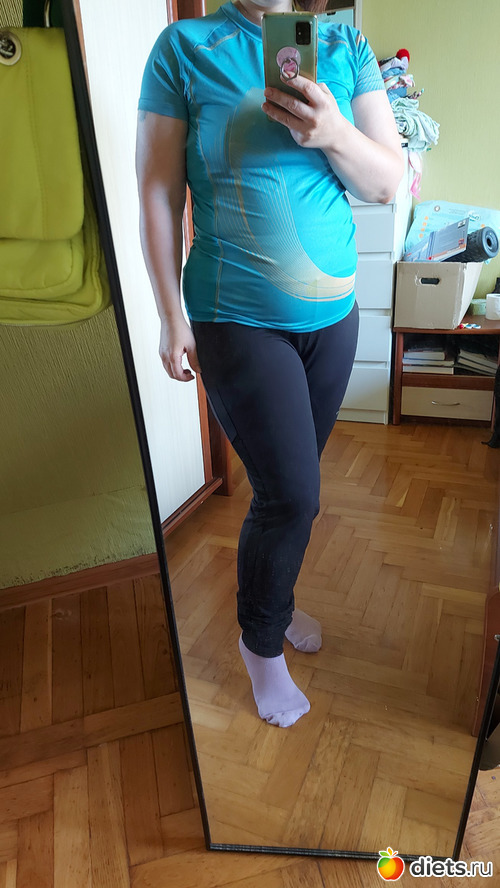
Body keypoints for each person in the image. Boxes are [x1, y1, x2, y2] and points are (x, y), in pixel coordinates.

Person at [136, 0, 404, 728]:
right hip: (236, 318)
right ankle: (260, 644)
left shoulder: (345, 45)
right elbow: (158, 190)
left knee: (292, 489)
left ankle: (275, 603)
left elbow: (386, 182)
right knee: (291, 496)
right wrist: (169, 314)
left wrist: (334, 131)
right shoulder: (185, 47)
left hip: (334, 320)